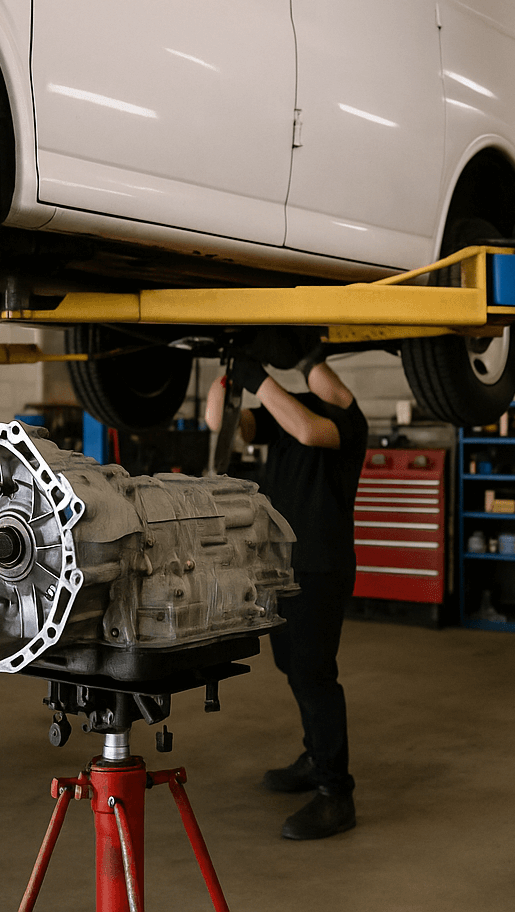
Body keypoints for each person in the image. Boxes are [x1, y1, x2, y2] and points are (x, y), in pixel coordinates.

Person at [206, 349, 367, 840]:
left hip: (322, 566)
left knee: (314, 674)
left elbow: (306, 429)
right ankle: (315, 755)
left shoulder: (346, 423)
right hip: (282, 564)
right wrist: (229, 374)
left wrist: (260, 373)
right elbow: (223, 425)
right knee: (292, 666)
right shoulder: (287, 410)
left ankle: (335, 793)